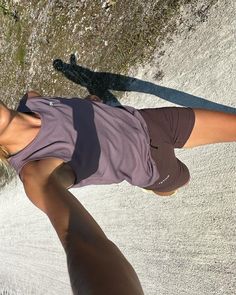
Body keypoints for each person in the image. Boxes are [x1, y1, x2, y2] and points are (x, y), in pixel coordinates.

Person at [0, 90, 235, 293]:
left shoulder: (32, 100)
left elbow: (68, 117)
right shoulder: (35, 172)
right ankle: (158, 188)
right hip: (154, 166)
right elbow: (83, 241)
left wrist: (90, 104)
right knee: (181, 179)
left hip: (150, 121)